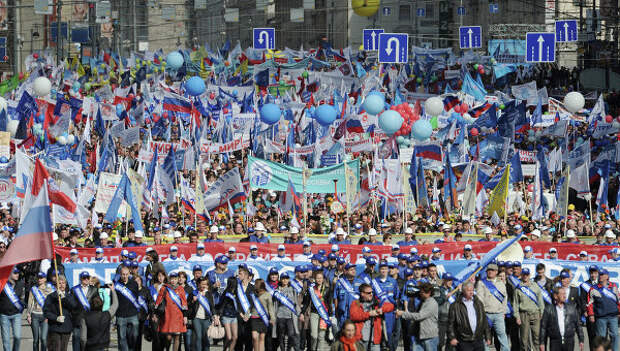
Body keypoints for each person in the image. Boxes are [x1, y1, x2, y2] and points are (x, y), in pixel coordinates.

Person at [349, 283, 394, 351]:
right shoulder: (355, 303)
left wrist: (381, 309)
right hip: (360, 340)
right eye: (368, 293)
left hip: (375, 340)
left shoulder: (377, 302)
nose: (371, 294)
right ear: (362, 294)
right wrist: (369, 314)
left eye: (372, 292)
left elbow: (391, 306)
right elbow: (354, 316)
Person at [447, 281, 491, 351]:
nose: (471, 292)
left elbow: (484, 320)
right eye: (469, 290)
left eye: (472, 290)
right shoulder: (455, 305)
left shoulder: (478, 303)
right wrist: (452, 337)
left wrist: (488, 336)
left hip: (478, 339)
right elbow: (450, 324)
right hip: (464, 340)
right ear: (463, 291)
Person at [474, 263, 509, 351]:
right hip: (486, 314)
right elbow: (479, 300)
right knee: (485, 337)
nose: (490, 272)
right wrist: (481, 314)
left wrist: (504, 311)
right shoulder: (481, 283)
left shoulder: (501, 283)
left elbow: (504, 299)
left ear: (496, 272)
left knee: (502, 336)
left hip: (499, 314)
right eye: (488, 270)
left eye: (492, 270)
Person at [539, 287, 584, 351]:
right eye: (562, 294)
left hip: (569, 341)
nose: (565, 296)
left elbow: (578, 325)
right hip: (555, 342)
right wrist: (542, 343)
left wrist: (581, 340)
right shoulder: (548, 310)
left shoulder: (572, 309)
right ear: (555, 296)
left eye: (565, 294)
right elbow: (543, 327)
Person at [396, 282, 438, 351]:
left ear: (429, 292)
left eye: (422, 292)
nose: (420, 293)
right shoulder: (423, 301)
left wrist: (403, 313)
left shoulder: (432, 303)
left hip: (429, 338)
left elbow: (419, 316)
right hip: (418, 336)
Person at [154, 271, 188, 351]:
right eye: (171, 279)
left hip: (178, 316)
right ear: (169, 279)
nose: (173, 280)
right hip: (168, 316)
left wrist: (185, 316)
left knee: (177, 336)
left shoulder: (181, 289)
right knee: (168, 337)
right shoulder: (164, 288)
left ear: (177, 280)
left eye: (175, 279)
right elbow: (158, 301)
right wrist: (155, 313)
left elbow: (184, 303)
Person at [587, 268, 619, 351]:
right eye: (599, 275)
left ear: (607, 276)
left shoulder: (614, 286)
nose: (600, 276)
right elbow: (590, 303)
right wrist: (591, 314)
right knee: (601, 338)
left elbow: (618, 299)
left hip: (613, 316)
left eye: (602, 275)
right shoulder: (593, 288)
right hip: (601, 317)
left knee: (615, 335)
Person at [513, 267, 545, 351]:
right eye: (524, 275)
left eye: (527, 275)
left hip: (535, 314)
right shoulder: (518, 288)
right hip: (524, 315)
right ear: (521, 275)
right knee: (524, 339)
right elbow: (515, 304)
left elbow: (540, 300)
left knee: (536, 337)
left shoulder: (535, 286)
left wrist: (541, 312)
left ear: (529, 275)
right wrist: (517, 316)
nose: (525, 276)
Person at [80, 284, 119, 351]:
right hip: (103, 346)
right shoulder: (107, 315)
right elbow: (115, 304)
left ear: (91, 305)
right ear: (102, 305)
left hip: (90, 347)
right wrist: (113, 290)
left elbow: (83, 338)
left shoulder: (85, 318)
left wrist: (84, 348)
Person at [44, 275, 78, 351]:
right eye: (59, 283)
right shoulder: (51, 297)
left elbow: (73, 307)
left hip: (67, 326)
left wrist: (63, 297)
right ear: (56, 285)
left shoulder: (70, 296)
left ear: (66, 284)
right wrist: (56, 318)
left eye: (63, 283)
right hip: (55, 326)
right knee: (56, 348)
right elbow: (46, 312)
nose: (61, 285)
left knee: (64, 348)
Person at [302, 270, 332, 351]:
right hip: (314, 313)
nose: (319, 280)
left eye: (320, 278)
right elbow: (306, 303)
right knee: (314, 336)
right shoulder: (311, 289)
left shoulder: (327, 289)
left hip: (324, 315)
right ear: (315, 279)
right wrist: (302, 313)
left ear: (323, 279)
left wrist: (330, 315)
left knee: (321, 336)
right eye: (317, 278)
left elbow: (329, 303)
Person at [114, 266, 140, 351]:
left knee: (134, 336)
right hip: (121, 315)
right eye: (123, 274)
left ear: (129, 274)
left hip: (132, 314)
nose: (124, 276)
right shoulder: (116, 285)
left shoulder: (134, 284)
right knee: (122, 338)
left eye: (126, 274)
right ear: (120, 275)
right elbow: (114, 300)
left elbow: (136, 298)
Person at [70, 271, 97, 351]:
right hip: (78, 319)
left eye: (87, 278)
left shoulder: (94, 289)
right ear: (80, 279)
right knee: (76, 339)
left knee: (87, 340)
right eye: (84, 278)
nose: (85, 279)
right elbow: (71, 305)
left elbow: (97, 304)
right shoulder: (74, 290)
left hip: (90, 319)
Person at [189, 277, 217, 351]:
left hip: (206, 319)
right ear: (198, 284)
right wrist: (192, 301)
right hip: (196, 318)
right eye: (202, 284)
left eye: (205, 284)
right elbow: (187, 305)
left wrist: (215, 316)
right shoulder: (193, 293)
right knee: (198, 336)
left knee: (206, 337)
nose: (204, 286)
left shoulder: (208, 293)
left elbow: (212, 306)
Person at [27, 272, 53, 351]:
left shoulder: (50, 289)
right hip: (35, 315)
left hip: (45, 317)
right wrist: (28, 315)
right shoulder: (34, 289)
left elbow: (51, 303)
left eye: (41, 277)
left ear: (45, 279)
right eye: (38, 277)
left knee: (44, 339)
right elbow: (30, 302)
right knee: (36, 340)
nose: (39, 279)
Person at [0, 267, 25, 351]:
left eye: (18, 272)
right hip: (4, 315)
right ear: (9, 273)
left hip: (16, 314)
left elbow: (22, 298)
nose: (17, 274)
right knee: (6, 340)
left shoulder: (20, 284)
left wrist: (22, 304)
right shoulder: (2, 284)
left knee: (17, 337)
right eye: (15, 272)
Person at [275, 272, 300, 351]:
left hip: (290, 315)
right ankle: (282, 349)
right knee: (281, 335)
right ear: (281, 279)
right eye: (283, 278)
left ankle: (288, 348)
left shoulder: (293, 289)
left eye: (286, 278)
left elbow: (296, 302)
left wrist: (298, 312)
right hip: (280, 315)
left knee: (291, 334)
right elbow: (275, 303)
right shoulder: (277, 290)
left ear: (289, 280)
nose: (285, 280)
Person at [216, 276, 240, 351]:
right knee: (229, 337)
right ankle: (225, 349)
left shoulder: (237, 293)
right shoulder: (226, 293)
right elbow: (221, 304)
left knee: (235, 337)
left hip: (234, 317)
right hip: (226, 316)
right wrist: (219, 315)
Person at [250, 279, 274, 351]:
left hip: (264, 318)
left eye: (256, 284)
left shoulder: (267, 294)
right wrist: (247, 314)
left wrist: (272, 318)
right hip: (254, 317)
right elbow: (250, 305)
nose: (255, 285)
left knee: (262, 338)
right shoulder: (253, 294)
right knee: (254, 337)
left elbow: (270, 307)